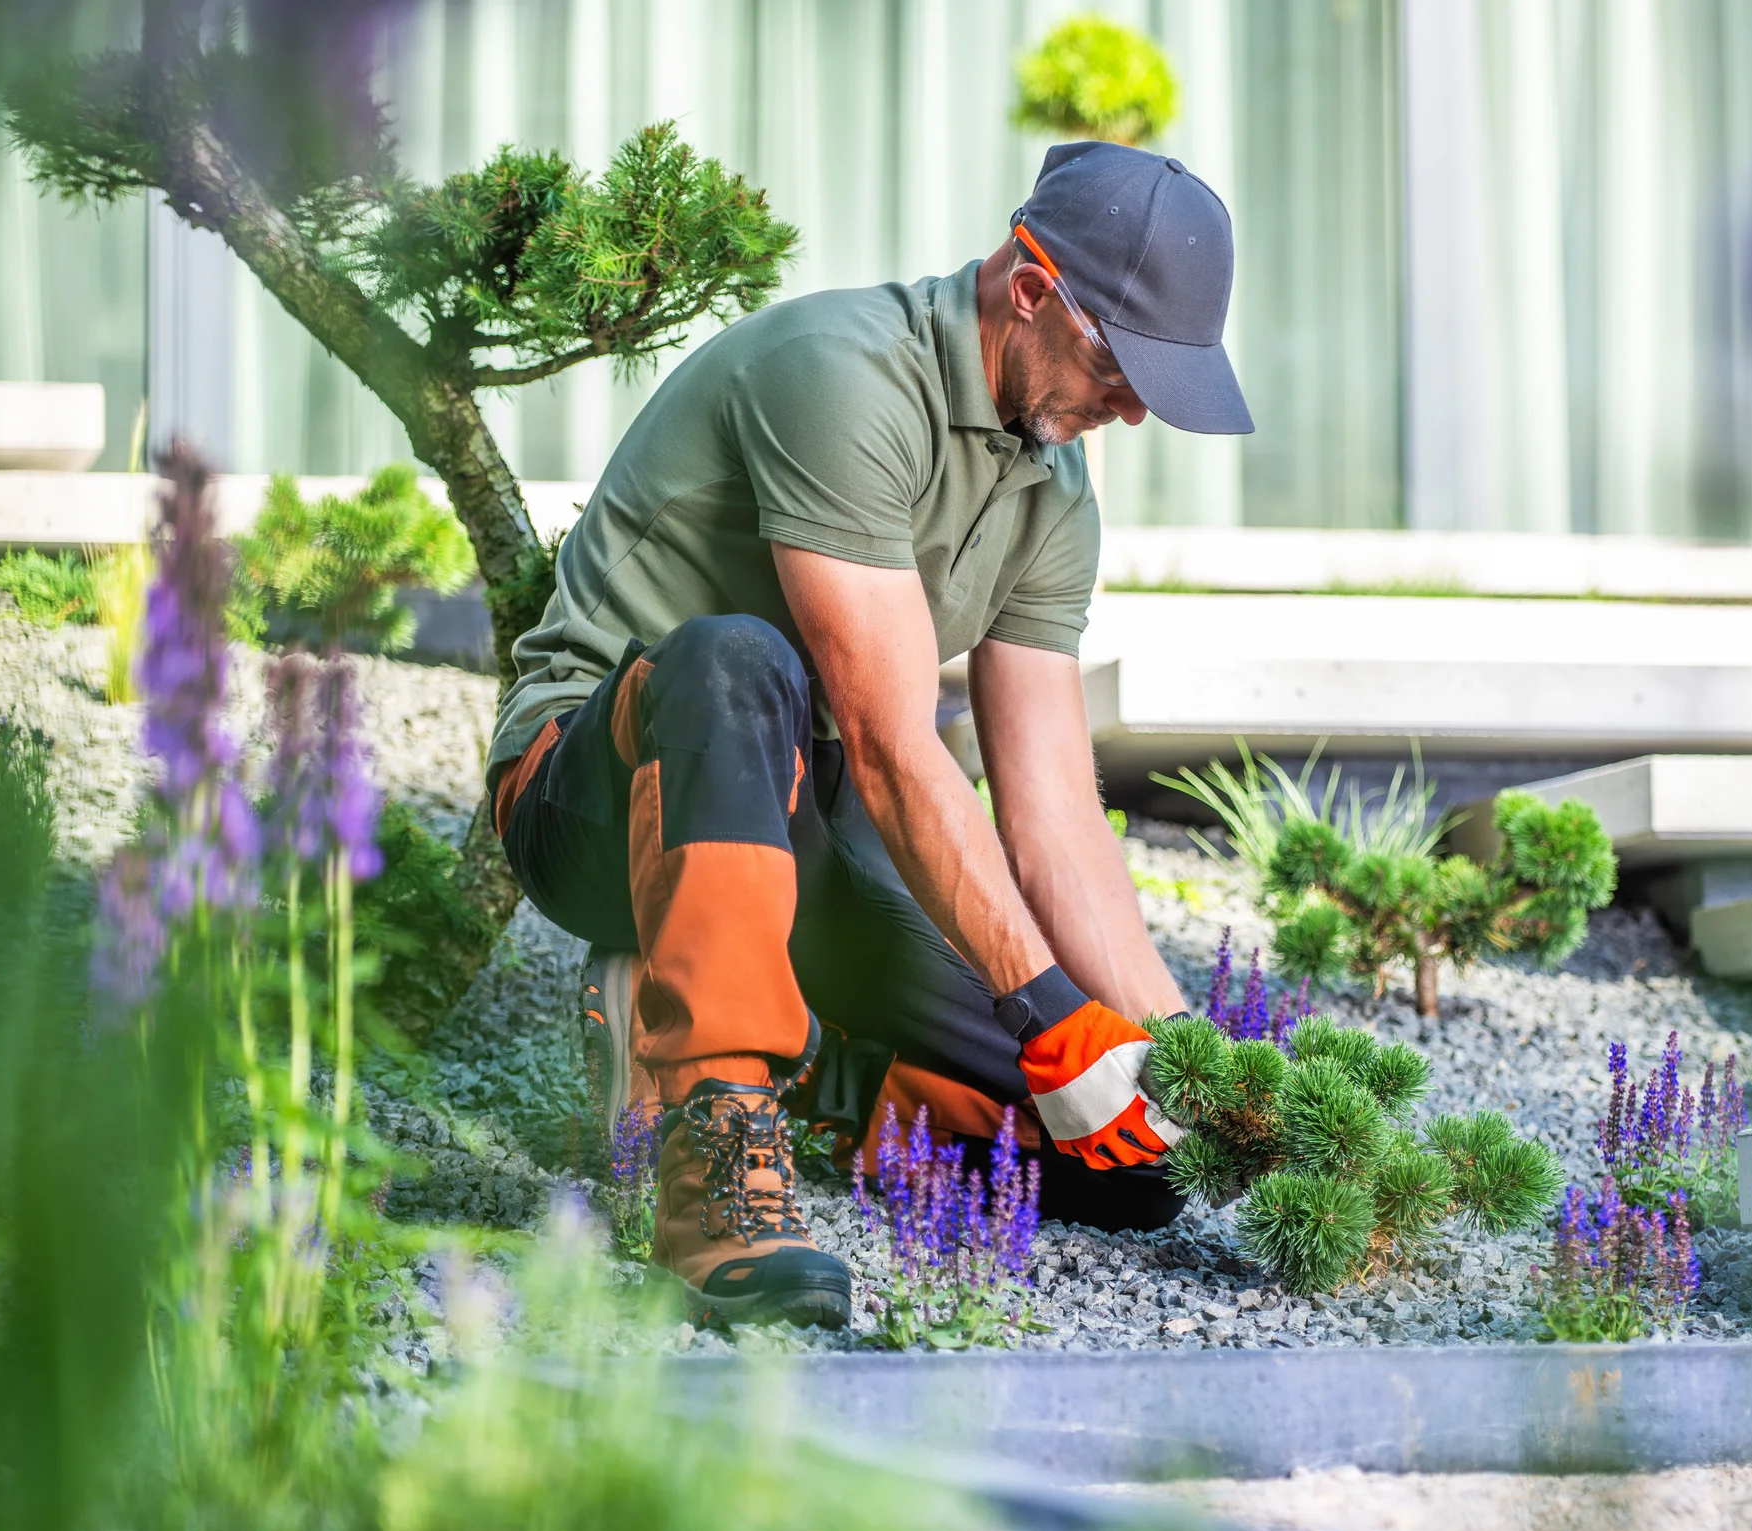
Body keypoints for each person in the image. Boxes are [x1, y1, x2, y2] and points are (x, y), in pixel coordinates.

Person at [485, 141, 1252, 1329]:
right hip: (605, 786)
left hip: (807, 833)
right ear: (1032, 284)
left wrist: (1189, 1068)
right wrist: (1047, 1010)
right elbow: (893, 744)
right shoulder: (842, 375)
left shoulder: (1053, 488)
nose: (1134, 406)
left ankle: (817, 1077)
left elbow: (1050, 812)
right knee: (735, 653)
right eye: (1120, 361)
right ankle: (714, 1142)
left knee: (1128, 1166)